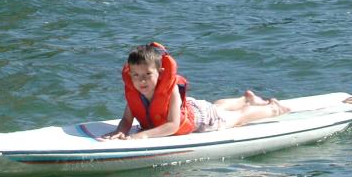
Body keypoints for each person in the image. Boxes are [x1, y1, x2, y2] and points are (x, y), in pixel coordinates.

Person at [100, 43, 289, 140]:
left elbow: (173, 126)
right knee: (217, 107)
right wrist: (120, 131)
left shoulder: (171, 88)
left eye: (147, 74)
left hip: (201, 118)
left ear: (160, 72)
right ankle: (245, 98)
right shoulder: (137, 91)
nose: (141, 80)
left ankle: (272, 108)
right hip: (193, 106)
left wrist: (143, 135)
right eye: (135, 75)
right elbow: (127, 119)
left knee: (236, 118)